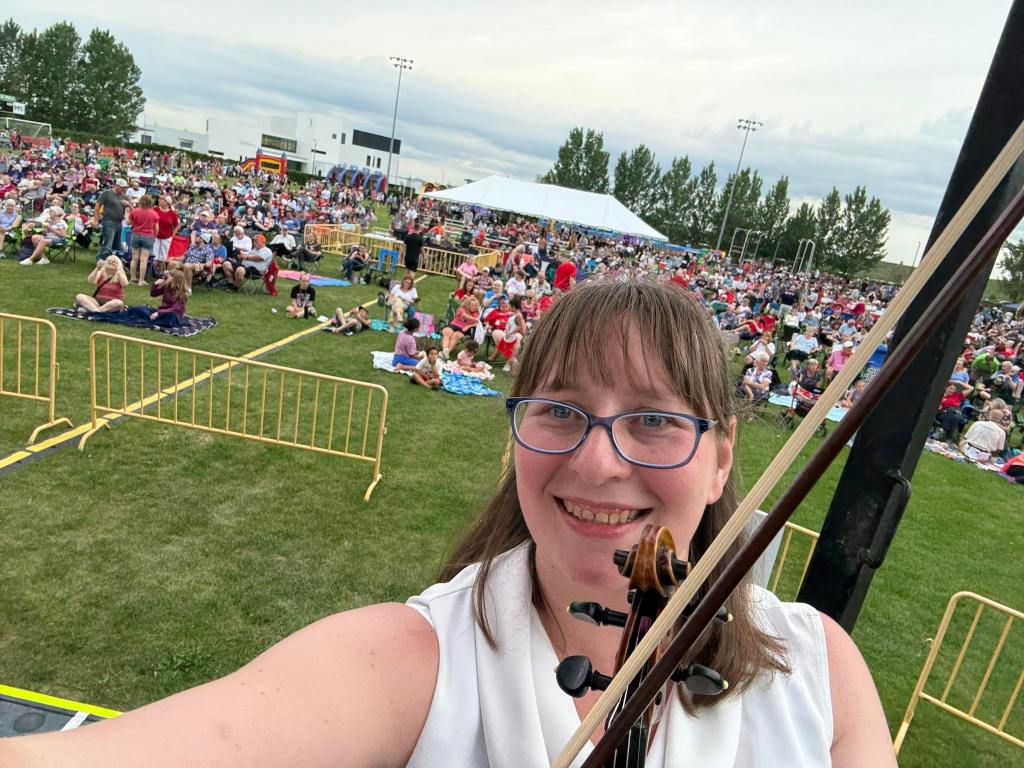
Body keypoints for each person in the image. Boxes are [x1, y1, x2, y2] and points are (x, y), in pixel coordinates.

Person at [1, 278, 894, 767]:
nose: (597, 464)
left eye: (654, 420)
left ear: (722, 456)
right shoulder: (412, 660)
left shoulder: (821, 670)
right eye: (560, 411)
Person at [128, 195, 160, 285]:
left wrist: (126, 215)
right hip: (148, 236)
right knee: (144, 260)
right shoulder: (154, 214)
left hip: (136, 235)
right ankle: (141, 280)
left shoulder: (135, 211)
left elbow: (129, 222)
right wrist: (154, 237)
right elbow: (156, 228)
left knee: (134, 258)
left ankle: (133, 278)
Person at [93, 178, 126, 259]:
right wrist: (95, 219)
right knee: (107, 245)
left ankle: (112, 261)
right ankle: (101, 260)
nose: (124, 189)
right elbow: (97, 205)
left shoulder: (123, 196)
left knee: (117, 246)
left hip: (119, 222)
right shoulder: (107, 193)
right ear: (117, 186)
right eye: (123, 187)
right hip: (109, 221)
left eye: (125, 187)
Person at [440, 296, 481, 361]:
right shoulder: (461, 309)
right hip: (454, 324)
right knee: (447, 332)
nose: (474, 307)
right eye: (472, 305)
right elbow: (465, 315)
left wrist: (468, 326)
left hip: (463, 328)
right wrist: (476, 319)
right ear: (468, 304)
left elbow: (477, 324)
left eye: (475, 306)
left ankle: (444, 354)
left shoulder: (476, 313)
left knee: (455, 335)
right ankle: (445, 351)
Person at [152, 195, 180, 272]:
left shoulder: (172, 214)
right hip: (155, 236)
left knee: (163, 256)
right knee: (154, 255)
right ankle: (153, 272)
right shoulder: (155, 210)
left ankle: (161, 272)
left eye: (162, 199)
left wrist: (172, 236)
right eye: (160, 199)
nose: (159, 200)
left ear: (167, 202)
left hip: (167, 238)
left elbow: (176, 225)